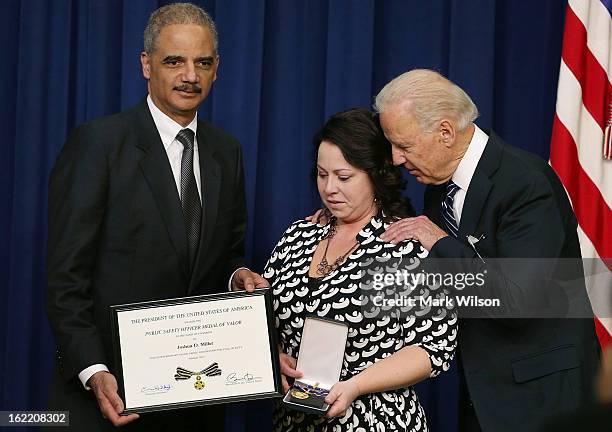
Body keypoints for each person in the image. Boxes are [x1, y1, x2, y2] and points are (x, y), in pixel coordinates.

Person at [45, 3, 266, 431]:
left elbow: (226, 252)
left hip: (198, 400)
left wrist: (237, 273)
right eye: (174, 61)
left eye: (202, 62)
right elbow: (65, 280)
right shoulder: (99, 145)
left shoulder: (227, 151)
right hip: (110, 399)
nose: (190, 75)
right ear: (146, 65)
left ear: (217, 68)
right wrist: (93, 370)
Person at [371, 69, 600, 432]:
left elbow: (519, 302)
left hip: (542, 398)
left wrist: (441, 243)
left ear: (445, 132)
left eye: (405, 146)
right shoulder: (438, 187)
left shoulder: (524, 182)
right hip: (484, 394)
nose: (397, 159)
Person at [263, 108, 457, 431]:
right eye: (322, 175)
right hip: (294, 422)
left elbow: (433, 349)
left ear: (376, 174)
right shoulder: (298, 235)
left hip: (375, 421)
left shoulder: (404, 245)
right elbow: (268, 317)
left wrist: (356, 385)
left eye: (344, 177)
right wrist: (275, 355)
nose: (330, 189)